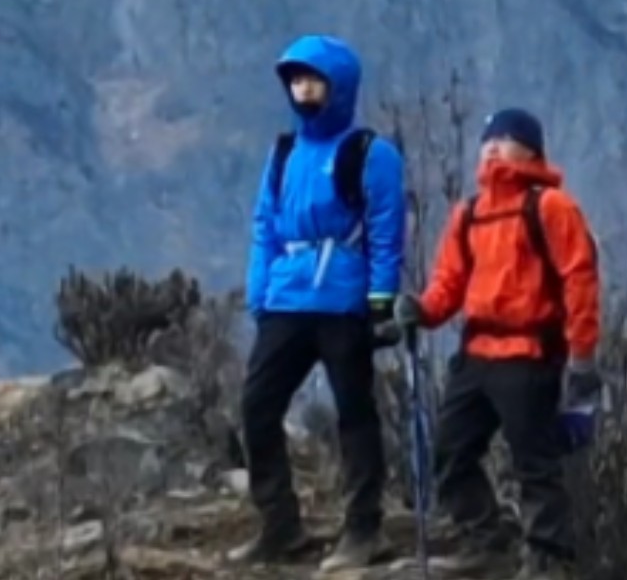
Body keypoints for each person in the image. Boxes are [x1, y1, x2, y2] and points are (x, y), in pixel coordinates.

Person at [394, 108, 603, 580]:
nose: (492, 146)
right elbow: (449, 281)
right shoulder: (469, 214)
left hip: (529, 357)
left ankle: (549, 560)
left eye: (506, 138)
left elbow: (580, 281)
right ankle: (487, 541)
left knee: (534, 463)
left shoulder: (550, 206)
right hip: (476, 356)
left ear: (531, 150)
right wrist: (422, 310)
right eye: (489, 138)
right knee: (450, 452)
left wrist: (582, 355)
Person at [226, 34, 406, 568]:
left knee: (354, 413)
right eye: (296, 80)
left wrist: (380, 299)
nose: (303, 90)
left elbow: (385, 227)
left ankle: (364, 529)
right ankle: (279, 526)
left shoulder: (371, 153)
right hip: (287, 300)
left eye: (313, 79)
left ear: (338, 86)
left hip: (343, 301)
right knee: (258, 407)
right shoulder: (284, 153)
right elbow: (265, 226)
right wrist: (260, 293)